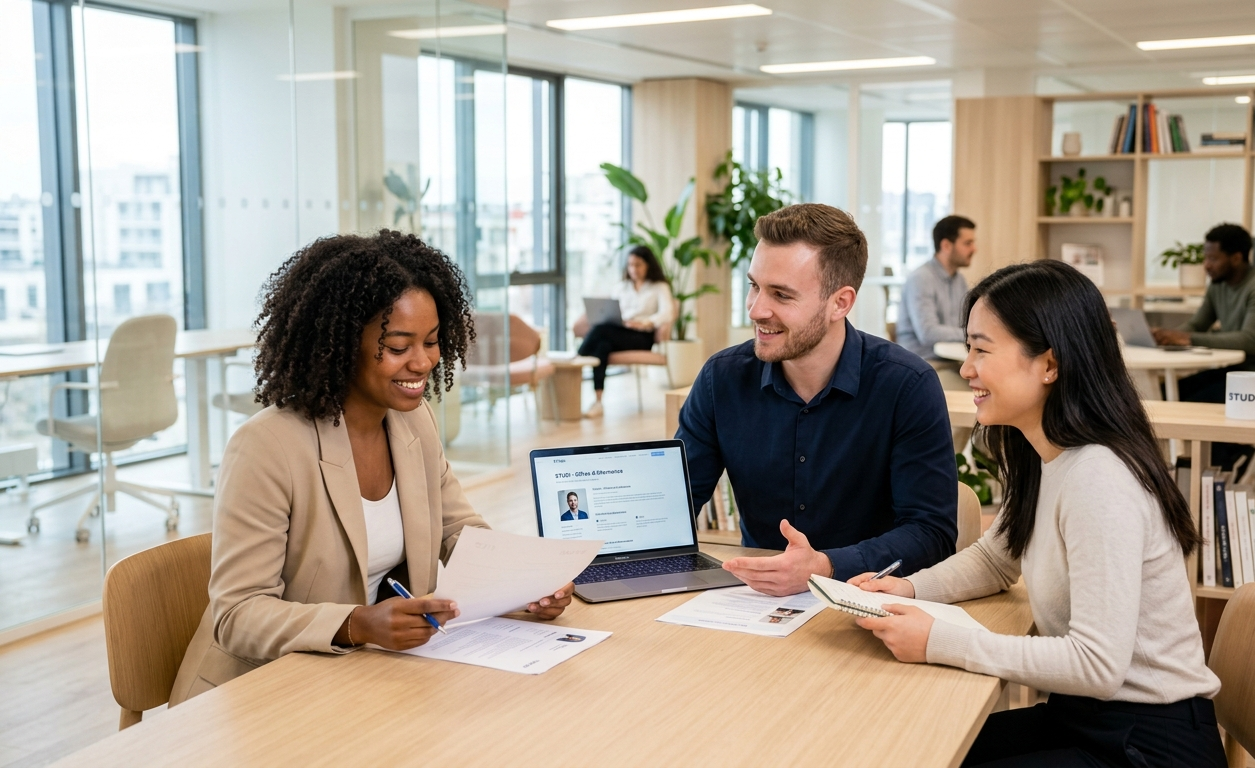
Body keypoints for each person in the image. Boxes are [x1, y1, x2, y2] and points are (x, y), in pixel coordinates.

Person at [169, 230, 573, 705]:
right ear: (342, 343)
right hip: (259, 695)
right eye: (399, 347)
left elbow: (458, 528)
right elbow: (237, 613)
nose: (422, 362)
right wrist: (356, 623)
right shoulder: (267, 446)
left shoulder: (412, 424)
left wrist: (523, 583)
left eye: (432, 341)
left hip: (361, 681)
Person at [851, 260, 1226, 767]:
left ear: (1049, 364)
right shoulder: (1045, 454)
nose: (966, 369)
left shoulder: (1099, 477)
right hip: (1089, 717)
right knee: (915, 745)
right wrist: (909, 588)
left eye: (982, 349)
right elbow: (995, 560)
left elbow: (1097, 665)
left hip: (1147, 745)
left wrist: (941, 641)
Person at [675, 203, 958, 597]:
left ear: (840, 303)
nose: (757, 309)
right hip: (752, 603)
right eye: (754, 285)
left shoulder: (907, 385)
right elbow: (676, 502)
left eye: (781, 295)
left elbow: (932, 532)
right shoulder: (722, 378)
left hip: (866, 605)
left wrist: (826, 566)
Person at [1151, 222, 1255, 472]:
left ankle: (1229, 465)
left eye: (1213, 258)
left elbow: (1249, 341)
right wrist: (1165, 336)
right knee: (1166, 394)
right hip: (1238, 372)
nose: (1206, 265)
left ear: (1236, 258)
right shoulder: (1218, 285)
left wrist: (1186, 339)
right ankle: (1203, 466)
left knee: (1198, 403)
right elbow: (1198, 324)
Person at [577, 245, 675, 418]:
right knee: (602, 346)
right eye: (630, 265)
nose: (633, 269)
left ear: (648, 265)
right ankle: (598, 401)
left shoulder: (659, 286)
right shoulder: (622, 287)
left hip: (642, 337)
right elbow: (612, 310)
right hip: (620, 332)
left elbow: (668, 312)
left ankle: (579, 357)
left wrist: (645, 322)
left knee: (601, 330)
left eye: (638, 265)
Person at [895, 215, 976, 390]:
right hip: (922, 364)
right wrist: (969, 334)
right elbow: (928, 332)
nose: (974, 249)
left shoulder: (959, 280)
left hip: (951, 359)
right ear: (946, 245)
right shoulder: (921, 279)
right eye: (967, 243)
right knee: (974, 391)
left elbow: (965, 323)